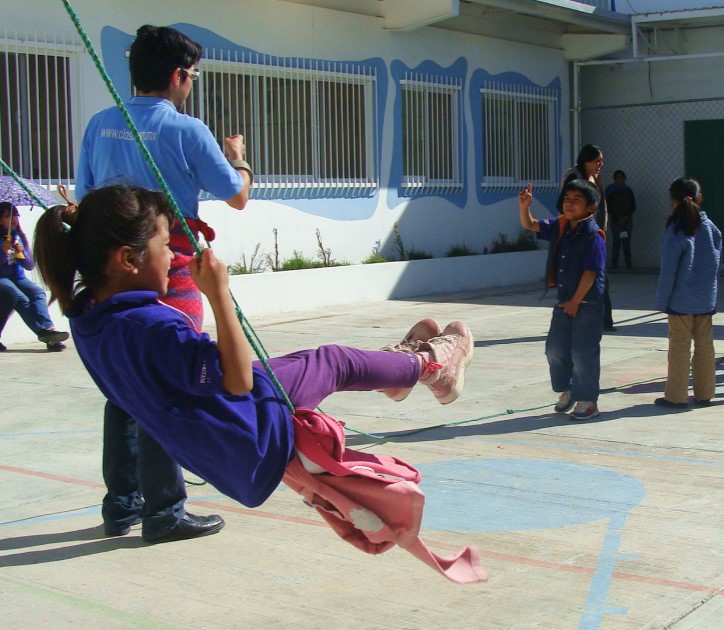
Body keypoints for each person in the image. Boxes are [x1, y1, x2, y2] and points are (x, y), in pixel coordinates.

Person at [33, 184, 474, 531]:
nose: (175, 255)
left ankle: (392, 372)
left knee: (303, 362)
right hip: (252, 429)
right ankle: (430, 366)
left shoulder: (87, 316)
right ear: (128, 258)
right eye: (166, 244)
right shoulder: (153, 327)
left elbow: (193, 374)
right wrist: (219, 294)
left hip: (217, 442)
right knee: (334, 361)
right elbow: (238, 380)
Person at [75, 25, 252, 542]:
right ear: (178, 76)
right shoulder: (185, 129)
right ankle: (164, 510)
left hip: (109, 269)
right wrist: (237, 155)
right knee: (166, 383)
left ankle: (121, 504)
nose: (191, 84)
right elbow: (236, 195)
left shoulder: (100, 124)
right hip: (165, 265)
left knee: (122, 385)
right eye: (192, 75)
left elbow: (89, 199)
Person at [518, 179, 606, 421]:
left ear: (591, 207)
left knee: (583, 353)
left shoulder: (593, 235)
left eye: (577, 200)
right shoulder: (561, 226)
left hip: (586, 304)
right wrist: (525, 206)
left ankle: (588, 400)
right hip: (564, 301)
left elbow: (591, 273)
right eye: (567, 198)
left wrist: (576, 301)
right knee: (555, 350)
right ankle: (567, 389)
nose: (569, 203)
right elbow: (531, 224)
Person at [654, 177, 722, 409]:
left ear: (673, 200)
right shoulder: (712, 229)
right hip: (705, 300)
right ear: (699, 198)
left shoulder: (675, 229)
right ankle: (705, 393)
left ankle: (676, 396)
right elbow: (714, 265)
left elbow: (669, 270)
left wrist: (662, 301)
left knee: (680, 347)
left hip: (681, 301)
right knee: (705, 347)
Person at [557, 144, 616, 332]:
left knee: (598, 276)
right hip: (578, 236)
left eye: (601, 160)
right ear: (586, 160)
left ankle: (604, 320)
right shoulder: (575, 177)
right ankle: (583, 317)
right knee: (585, 276)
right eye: (597, 160)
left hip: (595, 234)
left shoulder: (596, 179)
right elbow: (563, 205)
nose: (601, 164)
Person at [0, 201, 69, 352]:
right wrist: (3, 252)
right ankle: (44, 333)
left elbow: (29, 265)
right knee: (20, 298)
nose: (13, 219)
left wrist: (22, 252)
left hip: (18, 277)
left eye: (15, 215)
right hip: (2, 278)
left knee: (38, 293)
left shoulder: (18, 236)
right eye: (7, 216)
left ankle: (48, 329)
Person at [604, 169, 636, 270]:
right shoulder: (610, 190)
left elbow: (633, 205)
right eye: (618, 177)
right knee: (616, 243)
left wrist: (626, 216)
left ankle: (629, 264)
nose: (620, 179)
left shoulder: (628, 190)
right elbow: (608, 206)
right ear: (614, 179)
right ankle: (615, 264)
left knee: (626, 243)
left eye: (622, 177)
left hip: (626, 220)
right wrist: (616, 217)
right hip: (616, 220)